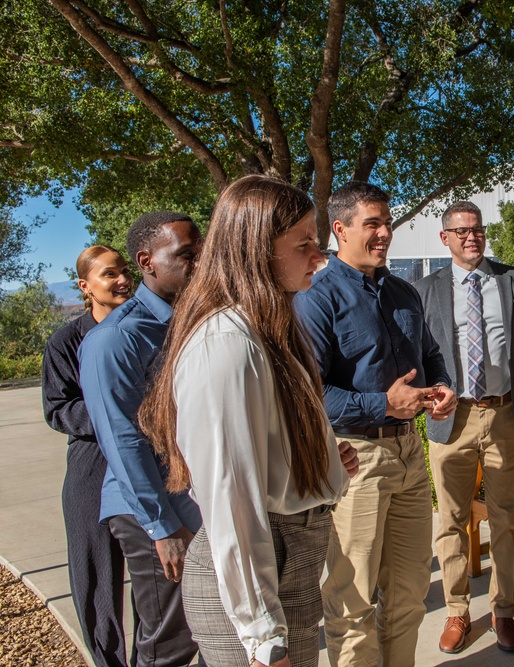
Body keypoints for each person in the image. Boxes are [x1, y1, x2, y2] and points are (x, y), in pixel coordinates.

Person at [139, 176, 359, 667]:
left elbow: (265, 449)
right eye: (302, 244)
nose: (319, 258)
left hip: (290, 565)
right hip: (256, 585)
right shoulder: (227, 344)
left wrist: (322, 462)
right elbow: (231, 499)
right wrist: (262, 635)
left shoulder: (266, 331)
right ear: (255, 248)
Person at [294, 181, 457, 667]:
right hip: (354, 459)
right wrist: (381, 404)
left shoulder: (404, 291)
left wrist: (441, 386)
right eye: (373, 224)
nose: (385, 233)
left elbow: (429, 354)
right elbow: (311, 395)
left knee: (409, 596)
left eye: (388, 223)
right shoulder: (315, 299)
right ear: (340, 230)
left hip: (410, 454)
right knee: (352, 601)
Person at [414, 201, 514, 654]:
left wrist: (504, 384)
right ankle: (457, 611)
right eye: (462, 231)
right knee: (450, 519)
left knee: (507, 518)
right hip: (451, 418)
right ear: (445, 237)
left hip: (505, 415)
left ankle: (504, 611)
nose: (473, 237)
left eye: (478, 230)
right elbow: (418, 349)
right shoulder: (425, 289)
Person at [79, 212, 204, 666]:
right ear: (147, 261)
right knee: (169, 644)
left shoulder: (193, 320)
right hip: (152, 512)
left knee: (215, 629)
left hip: (197, 499)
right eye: (186, 255)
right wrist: (162, 526)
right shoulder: (115, 339)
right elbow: (121, 438)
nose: (200, 262)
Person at [42, 246, 133, 667]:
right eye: (108, 275)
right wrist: (116, 410)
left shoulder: (146, 331)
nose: (121, 280)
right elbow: (58, 409)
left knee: (160, 576)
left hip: (145, 463)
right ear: (85, 286)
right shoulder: (65, 342)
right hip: (92, 468)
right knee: (96, 575)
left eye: (124, 272)